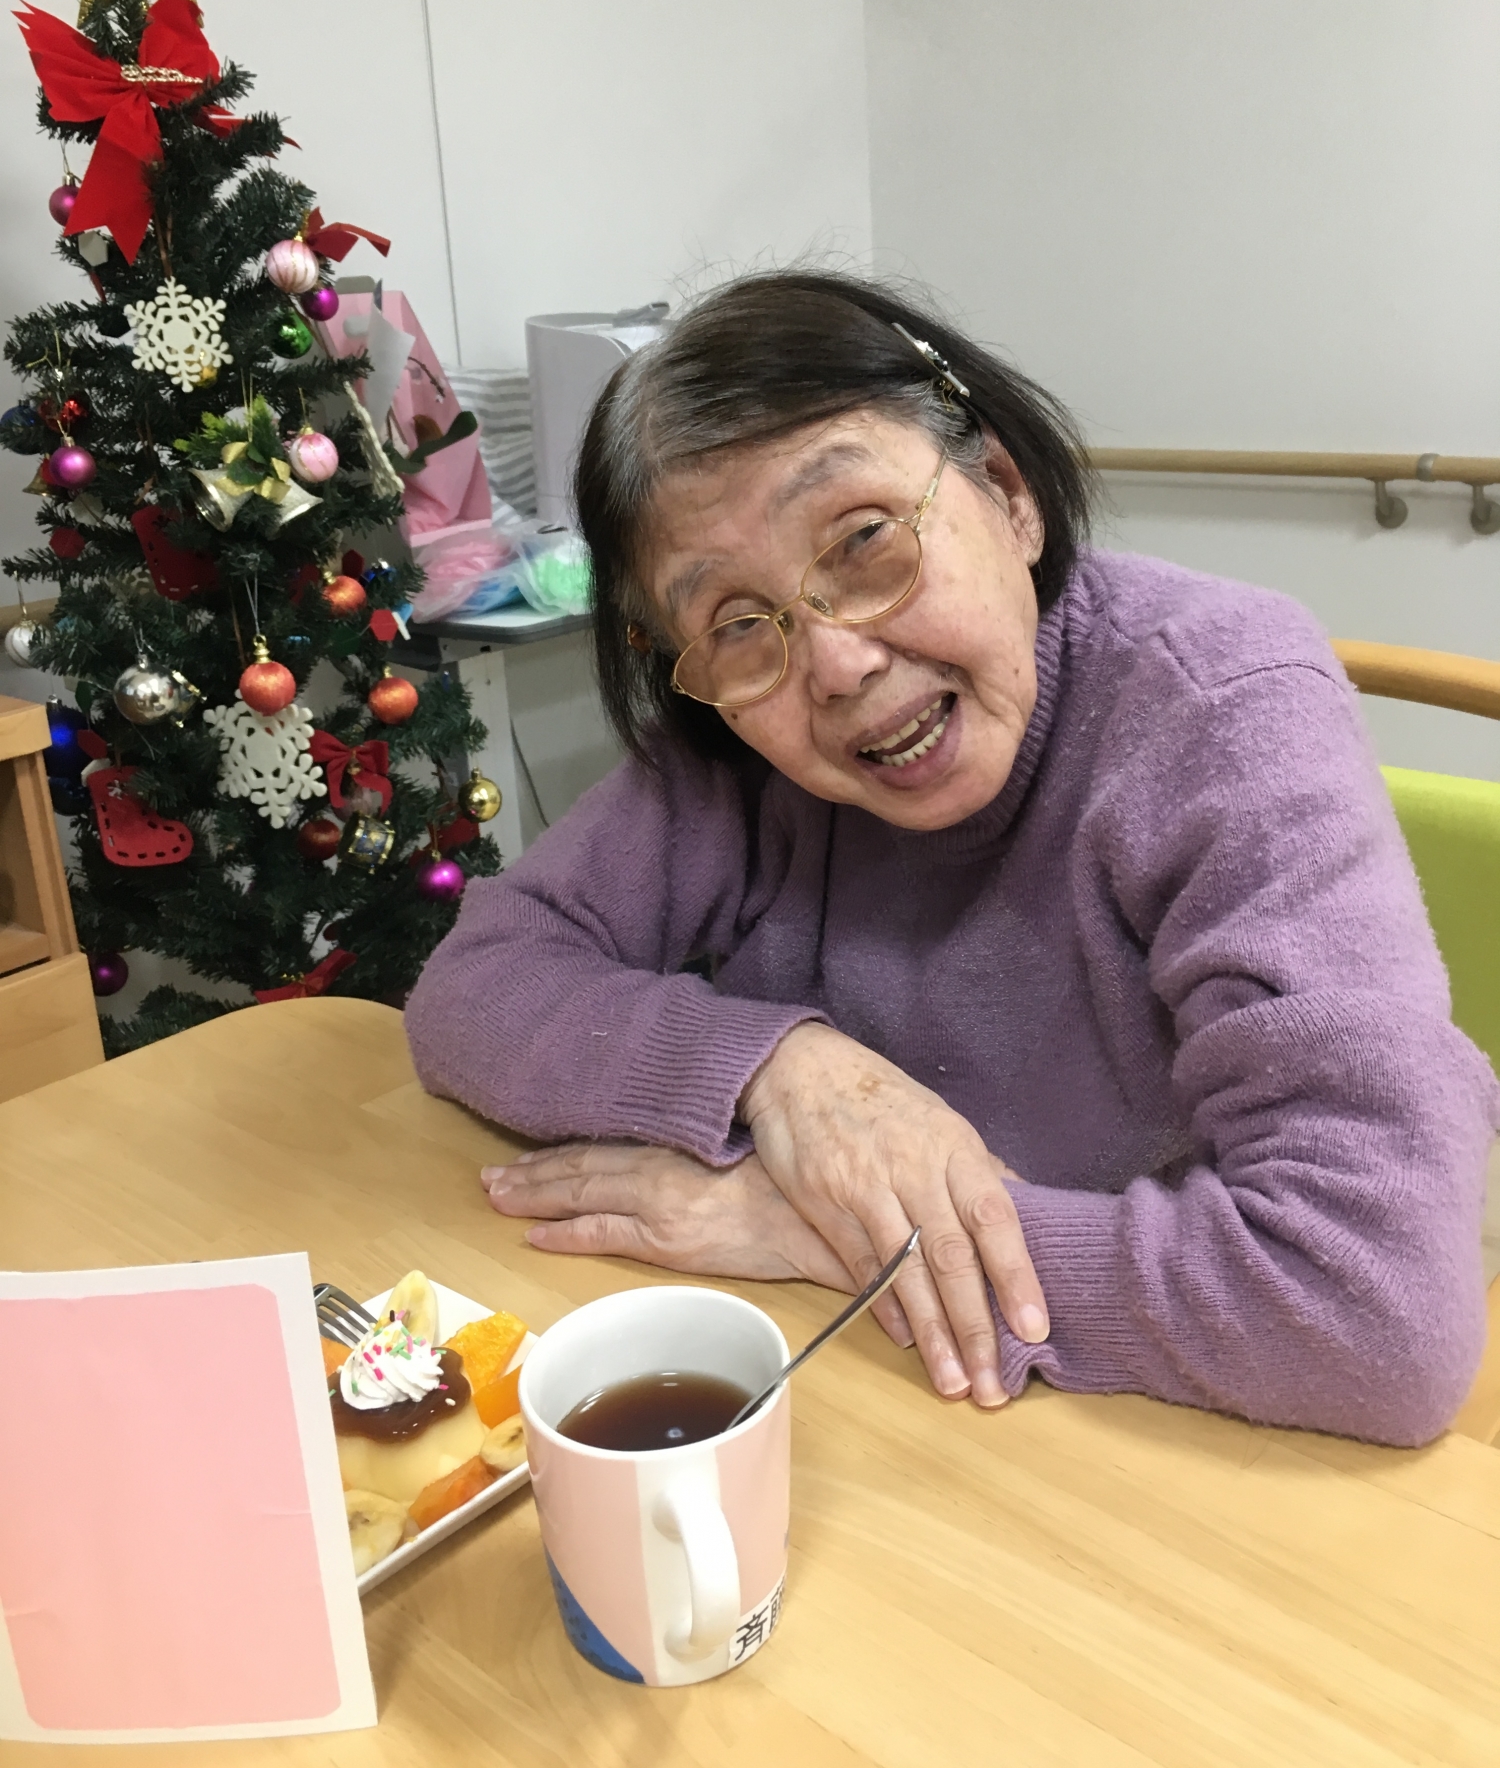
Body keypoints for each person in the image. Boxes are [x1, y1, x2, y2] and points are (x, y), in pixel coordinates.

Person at [406, 271, 1498, 1446]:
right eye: (735, 620)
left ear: (1008, 496)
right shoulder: (741, 744)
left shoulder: (1221, 704)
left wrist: (834, 1235)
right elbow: (475, 986)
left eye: (864, 539)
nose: (836, 664)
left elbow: (1375, 1305)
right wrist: (785, 1067)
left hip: (1169, 1426)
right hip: (875, 1403)